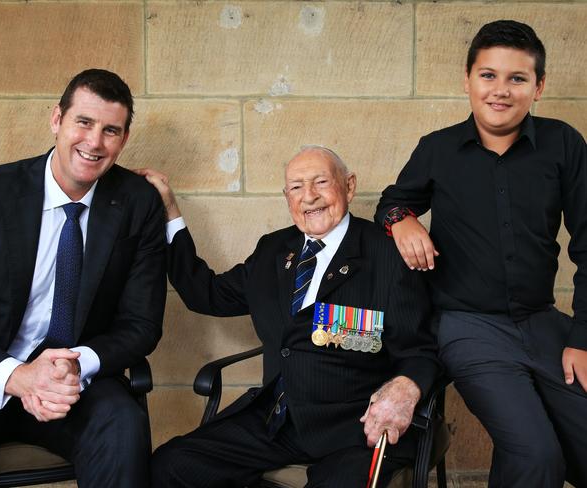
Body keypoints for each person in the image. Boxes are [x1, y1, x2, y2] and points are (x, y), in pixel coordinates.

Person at [141, 146, 439, 487]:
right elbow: (204, 293)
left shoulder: (388, 255)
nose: (309, 197)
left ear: (349, 186)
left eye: (321, 182)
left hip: (354, 427)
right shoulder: (273, 250)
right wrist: (169, 211)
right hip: (276, 419)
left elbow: (421, 350)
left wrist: (405, 389)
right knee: (171, 465)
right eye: (296, 187)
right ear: (287, 197)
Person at [375, 20, 587, 488]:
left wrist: (582, 337)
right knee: (536, 455)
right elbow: (391, 203)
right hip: (467, 326)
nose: (501, 91)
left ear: (539, 87)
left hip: (543, 322)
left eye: (517, 78)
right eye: (488, 75)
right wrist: (402, 220)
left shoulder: (565, 144)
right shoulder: (437, 149)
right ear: (467, 80)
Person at [0, 68, 167, 487]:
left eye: (110, 130)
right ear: (56, 120)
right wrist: (18, 377)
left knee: (122, 423)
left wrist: (73, 367)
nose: (94, 142)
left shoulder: (138, 206)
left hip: (74, 384)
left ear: (124, 139)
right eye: (83, 122)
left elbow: (142, 325)